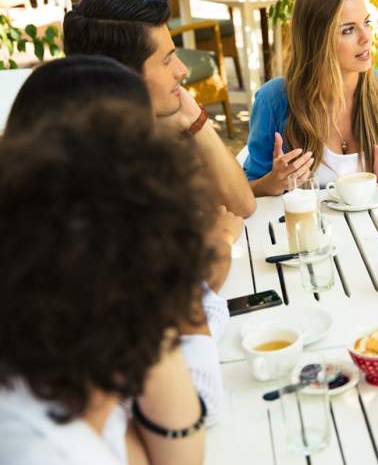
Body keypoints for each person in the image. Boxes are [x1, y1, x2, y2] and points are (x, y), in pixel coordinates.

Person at [5, 56, 237, 426]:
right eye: (142, 138)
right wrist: (190, 286)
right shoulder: (84, 287)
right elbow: (194, 412)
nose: (181, 69)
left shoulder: (42, 259)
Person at [62, 0, 256, 218]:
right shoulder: (88, 170)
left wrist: (196, 120)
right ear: (123, 76)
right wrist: (221, 242)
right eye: (167, 61)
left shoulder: (155, 125)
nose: (182, 70)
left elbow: (242, 205)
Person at [243, 0, 378, 196]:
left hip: (373, 229)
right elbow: (244, 193)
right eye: (348, 30)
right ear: (317, 41)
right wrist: (272, 183)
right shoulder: (275, 100)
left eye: (366, 23)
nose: (366, 38)